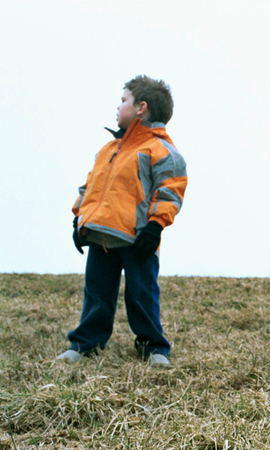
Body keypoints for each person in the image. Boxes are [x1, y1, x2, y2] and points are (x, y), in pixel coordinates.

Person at [58, 75, 187, 367]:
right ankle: (84, 344)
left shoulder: (161, 150)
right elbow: (89, 188)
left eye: (123, 100)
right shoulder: (109, 150)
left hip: (138, 238)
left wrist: (154, 228)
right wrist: (79, 220)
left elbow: (171, 190)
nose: (118, 107)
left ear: (141, 107)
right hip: (101, 235)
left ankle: (153, 347)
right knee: (97, 293)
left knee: (142, 294)